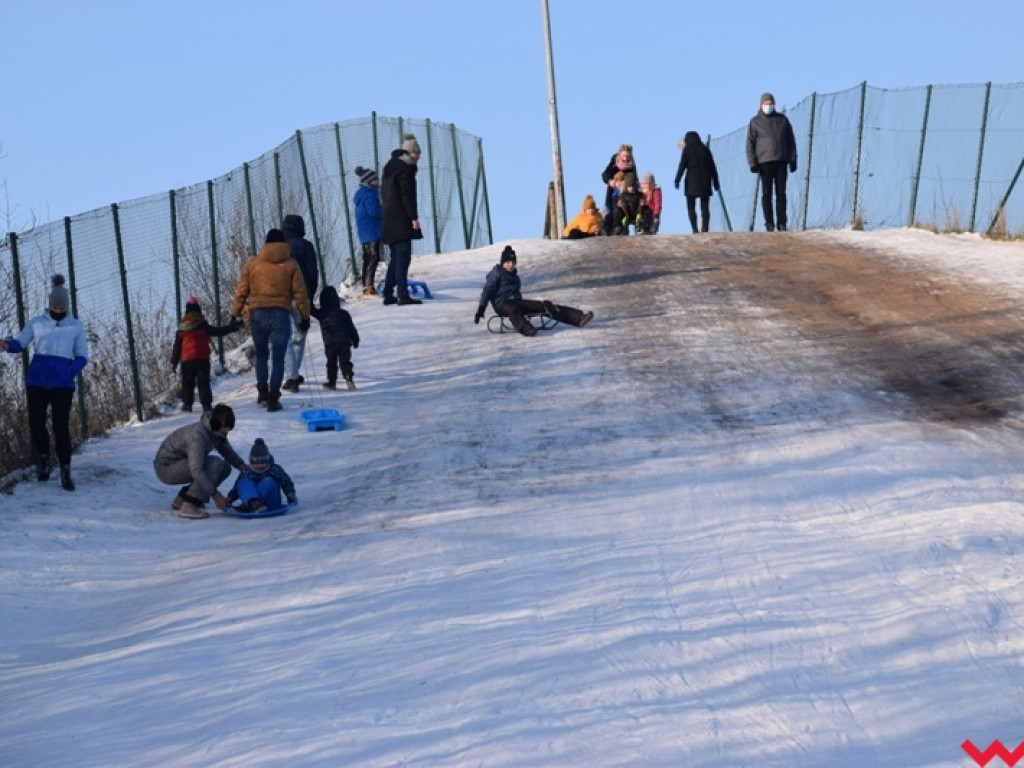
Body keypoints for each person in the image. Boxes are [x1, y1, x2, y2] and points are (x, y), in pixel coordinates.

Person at [0, 274, 89, 491]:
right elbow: (20, 343)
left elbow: (82, 356)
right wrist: (7, 345)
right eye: (55, 307)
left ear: (67, 306)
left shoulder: (75, 326)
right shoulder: (36, 323)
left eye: (62, 308)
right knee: (36, 423)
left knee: (61, 426)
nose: (58, 311)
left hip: (63, 385)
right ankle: (43, 461)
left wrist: (69, 372)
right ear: (49, 306)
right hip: (37, 382)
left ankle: (65, 471)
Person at [231, 228, 310, 412]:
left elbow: (242, 290)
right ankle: (274, 398)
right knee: (278, 358)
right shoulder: (291, 264)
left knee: (261, 355)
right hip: (280, 314)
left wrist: (235, 312)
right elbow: (300, 293)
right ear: (284, 243)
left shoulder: (254, 263)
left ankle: (262, 391)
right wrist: (304, 316)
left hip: (257, 314)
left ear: (266, 243)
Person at [474, 246, 593, 337]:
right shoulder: (496, 274)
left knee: (544, 305)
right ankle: (526, 328)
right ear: (502, 263)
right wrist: (481, 309)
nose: (510, 265)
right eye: (508, 263)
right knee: (513, 308)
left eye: (513, 263)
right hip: (502, 304)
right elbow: (487, 291)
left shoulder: (515, 277)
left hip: (517, 302)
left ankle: (578, 318)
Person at [153, 403, 245, 519]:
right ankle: (189, 505)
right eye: (224, 431)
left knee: (225, 468)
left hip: (180, 463)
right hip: (166, 467)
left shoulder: (216, 433)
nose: (226, 434)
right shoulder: (197, 436)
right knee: (215, 464)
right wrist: (216, 495)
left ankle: (182, 498)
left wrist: (246, 469)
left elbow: (228, 453)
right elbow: (196, 470)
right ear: (215, 423)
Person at [171, 297, 242, 413]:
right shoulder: (203, 325)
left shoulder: (181, 328)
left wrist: (174, 361)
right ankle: (206, 405)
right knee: (203, 382)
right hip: (202, 358)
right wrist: (233, 327)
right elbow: (218, 331)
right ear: (199, 311)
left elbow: (177, 346)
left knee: (187, 382)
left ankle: (187, 405)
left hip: (187, 359)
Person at [380, 134, 423, 306]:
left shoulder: (390, 167)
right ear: (410, 153)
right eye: (417, 153)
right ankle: (402, 294)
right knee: (403, 258)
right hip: (401, 219)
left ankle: (388, 292)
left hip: (388, 219)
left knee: (396, 257)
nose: (418, 157)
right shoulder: (406, 169)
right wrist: (413, 217)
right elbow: (407, 196)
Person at [746, 92, 798, 232]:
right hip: (764, 162)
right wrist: (752, 163)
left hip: (781, 161)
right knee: (766, 193)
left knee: (781, 193)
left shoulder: (782, 120)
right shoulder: (755, 122)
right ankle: (769, 223)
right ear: (761, 105)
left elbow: (791, 141)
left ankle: (782, 223)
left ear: (774, 104)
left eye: (770, 103)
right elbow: (750, 144)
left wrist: (793, 159)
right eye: (765, 103)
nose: (768, 106)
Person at [281, 214, 319, 393]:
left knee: (284, 336)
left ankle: (292, 374)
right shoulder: (306, 246)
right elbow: (312, 273)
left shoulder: (276, 247)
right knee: (300, 332)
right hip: (301, 295)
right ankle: (293, 373)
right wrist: (310, 295)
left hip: (280, 296)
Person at [226, 437, 297, 514]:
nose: (259, 466)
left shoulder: (274, 469)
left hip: (271, 503)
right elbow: (237, 489)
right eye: (256, 464)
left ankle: (254, 506)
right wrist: (230, 499)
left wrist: (290, 495)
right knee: (243, 482)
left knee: (268, 481)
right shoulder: (247, 471)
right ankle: (254, 505)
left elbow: (286, 482)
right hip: (251, 504)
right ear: (251, 462)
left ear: (267, 460)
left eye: (262, 463)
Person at [310, 285, 360, 391]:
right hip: (345, 343)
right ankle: (349, 379)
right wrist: (355, 340)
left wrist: (309, 298)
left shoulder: (322, 313)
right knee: (345, 362)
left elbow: (312, 311)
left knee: (331, 364)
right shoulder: (344, 313)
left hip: (330, 343)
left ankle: (332, 382)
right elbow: (351, 328)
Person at [675, 131, 722, 233]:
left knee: (691, 207)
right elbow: (712, 167)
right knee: (705, 207)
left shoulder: (687, 150)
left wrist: (677, 180)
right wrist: (716, 182)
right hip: (705, 182)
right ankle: (705, 228)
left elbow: (682, 166)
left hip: (691, 184)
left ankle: (695, 229)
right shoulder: (705, 150)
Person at [353, 166, 383, 297]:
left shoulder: (361, 195)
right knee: (374, 257)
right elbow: (373, 212)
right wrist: (385, 209)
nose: (378, 181)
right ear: (369, 181)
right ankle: (369, 285)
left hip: (364, 232)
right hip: (372, 230)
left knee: (367, 258)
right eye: (375, 180)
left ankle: (365, 284)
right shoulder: (369, 195)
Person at [600, 143, 637, 217]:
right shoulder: (614, 162)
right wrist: (610, 181)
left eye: (627, 156)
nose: (625, 158)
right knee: (610, 215)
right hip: (612, 194)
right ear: (620, 155)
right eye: (624, 156)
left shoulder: (631, 165)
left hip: (625, 196)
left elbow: (635, 179)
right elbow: (605, 174)